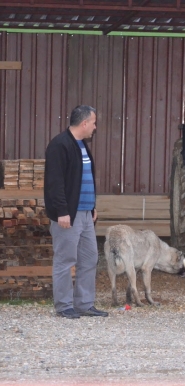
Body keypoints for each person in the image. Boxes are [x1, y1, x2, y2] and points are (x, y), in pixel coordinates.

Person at [45, 105, 108, 318]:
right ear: (84, 123)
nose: (95, 127)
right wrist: (62, 211)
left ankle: (84, 304)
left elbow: (83, 179)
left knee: (89, 258)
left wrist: (92, 206)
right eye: (93, 122)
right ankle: (64, 306)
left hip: (85, 214)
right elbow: (55, 183)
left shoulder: (81, 145)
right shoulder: (59, 145)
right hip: (68, 215)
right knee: (65, 259)